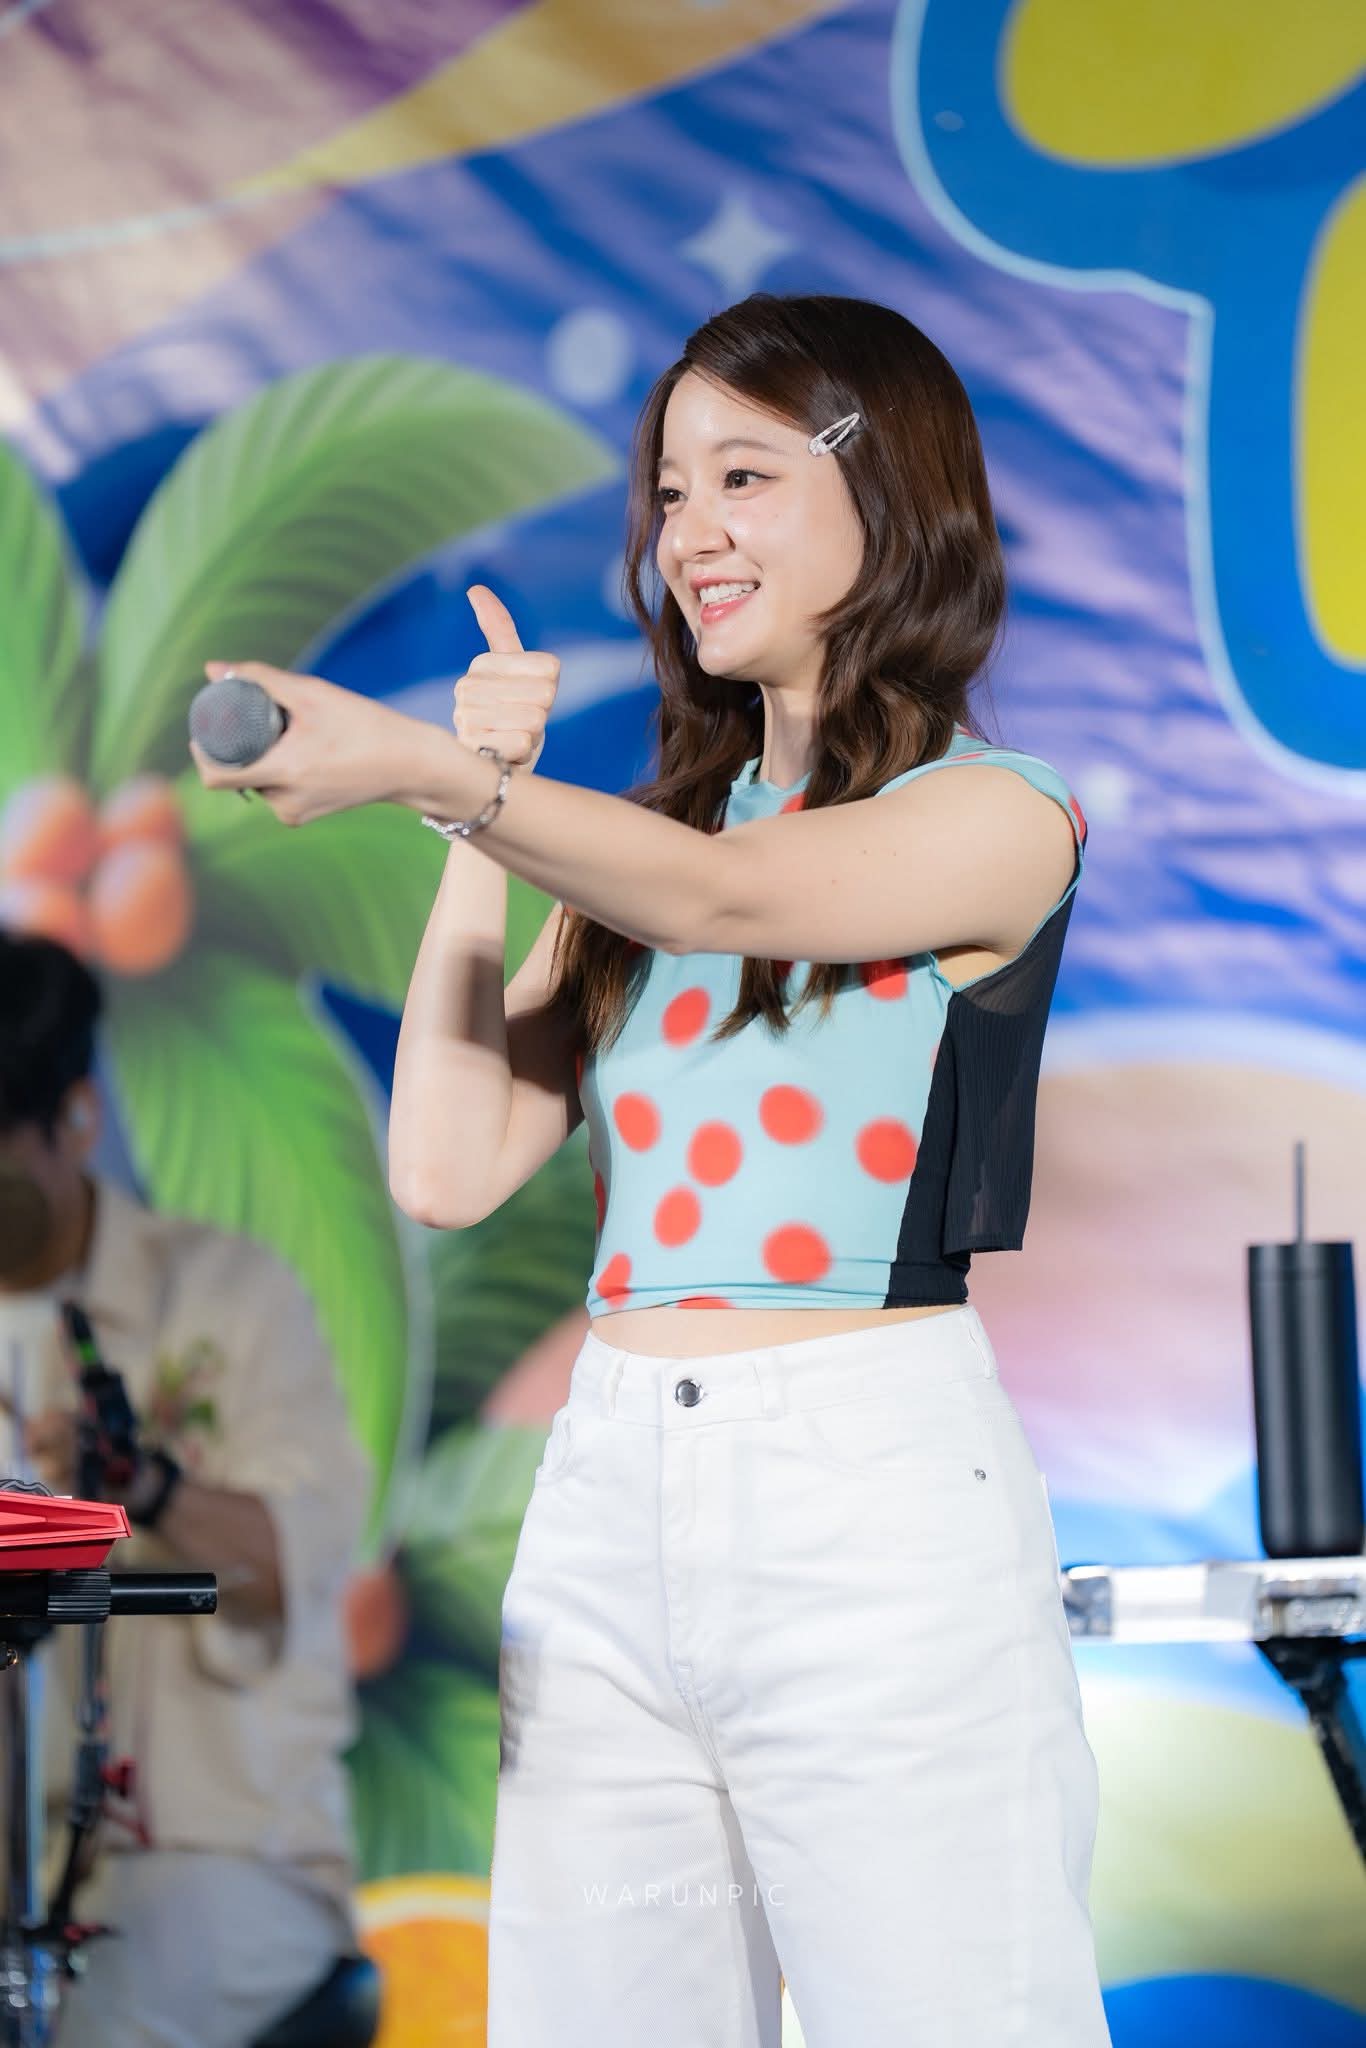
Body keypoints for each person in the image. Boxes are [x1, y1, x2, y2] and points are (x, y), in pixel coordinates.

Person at [189, 292, 1112, 2046]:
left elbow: (734, 901)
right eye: (671, 490)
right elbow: (447, 1164)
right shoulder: (644, 847)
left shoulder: (1001, 812)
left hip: (866, 1494)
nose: (690, 531)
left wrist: (436, 772)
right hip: (607, 1498)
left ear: (892, 490)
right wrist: (477, 803)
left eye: (743, 475)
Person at [0, 932, 370, 2048]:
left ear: (76, 1118)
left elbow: (292, 1560)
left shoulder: (230, 1295)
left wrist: (145, 1488)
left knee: (92, 2025)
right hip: (21, 1866)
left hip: (219, 1861)